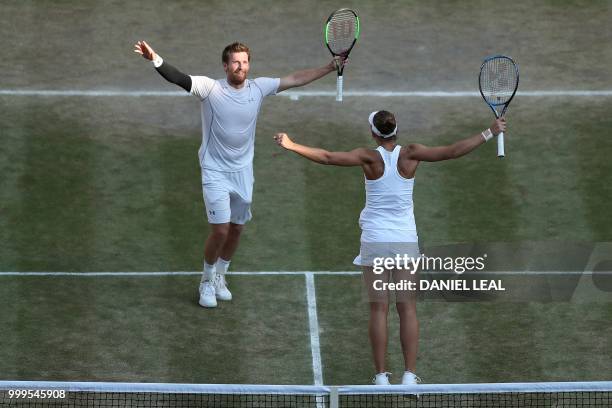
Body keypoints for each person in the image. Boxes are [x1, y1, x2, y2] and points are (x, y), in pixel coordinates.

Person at [274, 111, 506, 385]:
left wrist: (291, 144)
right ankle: (409, 375)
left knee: (378, 309)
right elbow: (452, 152)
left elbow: (326, 157)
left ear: (374, 133)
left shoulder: (368, 157)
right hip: (405, 241)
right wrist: (490, 131)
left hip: (375, 240)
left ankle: (381, 376)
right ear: (396, 130)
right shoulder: (411, 153)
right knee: (407, 308)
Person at [134, 40, 344, 308]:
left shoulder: (259, 87)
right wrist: (155, 59)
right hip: (214, 170)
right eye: (235, 62)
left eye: (244, 62)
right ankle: (206, 281)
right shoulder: (210, 89)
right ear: (225, 66)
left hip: (243, 171)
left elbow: (295, 79)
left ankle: (221, 276)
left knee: (236, 229)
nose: (240, 66)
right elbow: (179, 78)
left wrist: (329, 67)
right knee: (220, 231)